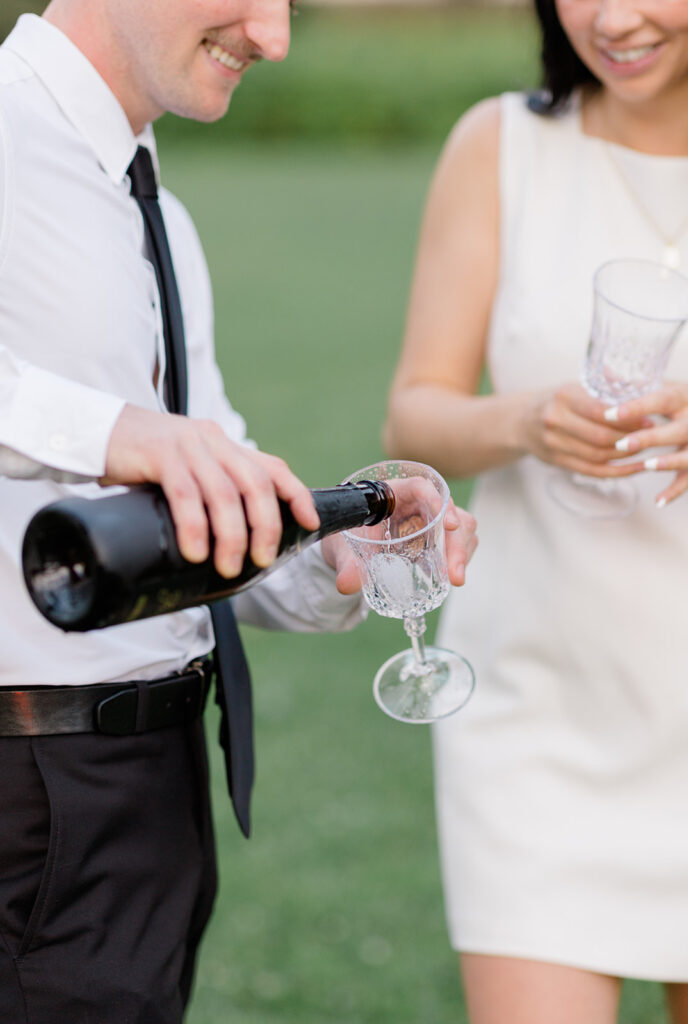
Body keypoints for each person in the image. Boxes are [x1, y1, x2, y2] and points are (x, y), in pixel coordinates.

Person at [0, 3, 478, 1021]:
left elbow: (205, 521)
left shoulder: (154, 208)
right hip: (26, 786)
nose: (275, 36)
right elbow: (131, 440)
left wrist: (337, 542)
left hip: (151, 791)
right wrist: (114, 433)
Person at [382, 0, 688, 1021]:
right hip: (535, 715)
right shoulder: (501, 145)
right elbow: (419, 406)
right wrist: (526, 419)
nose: (613, 18)